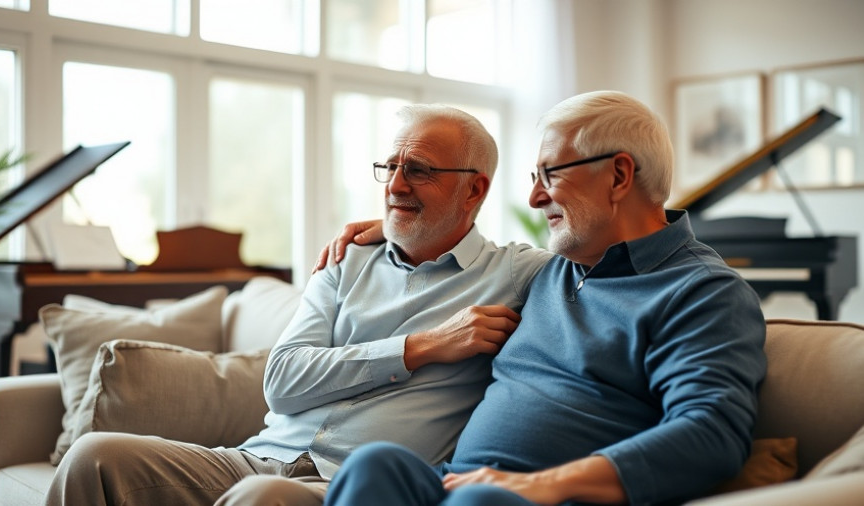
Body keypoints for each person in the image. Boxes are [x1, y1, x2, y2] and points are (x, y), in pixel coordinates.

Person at [44, 104, 554, 506]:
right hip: (257, 455)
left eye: (419, 171)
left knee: (263, 499)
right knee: (94, 456)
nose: (396, 186)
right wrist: (420, 347)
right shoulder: (345, 261)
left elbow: (611, 260)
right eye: (391, 167)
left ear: (474, 189)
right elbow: (281, 382)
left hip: (352, 484)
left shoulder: (515, 274)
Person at [322, 91, 767, 506]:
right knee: (374, 463)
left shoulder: (702, 292)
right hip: (459, 483)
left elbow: (712, 435)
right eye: (535, 177)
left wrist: (537, 485)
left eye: (550, 174)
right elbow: (473, 252)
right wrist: (402, 224)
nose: (535, 198)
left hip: (547, 497)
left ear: (619, 175)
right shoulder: (553, 270)